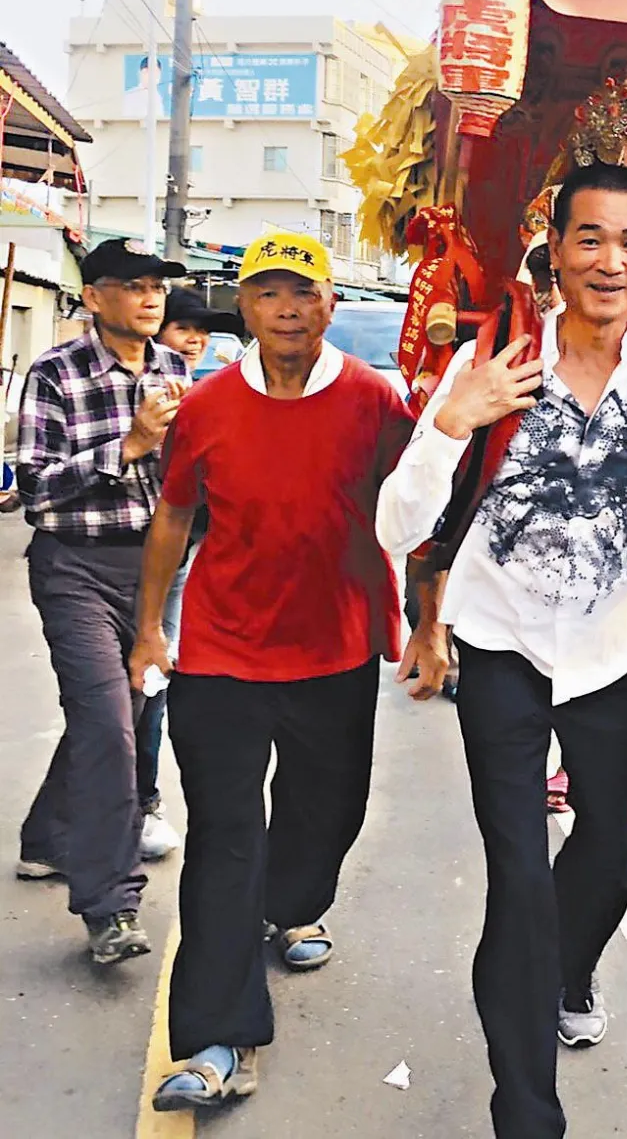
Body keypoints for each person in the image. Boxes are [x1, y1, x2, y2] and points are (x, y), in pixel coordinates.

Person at [377, 161, 627, 1139]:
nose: (611, 260)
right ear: (555, 245)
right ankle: (528, 1110)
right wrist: (450, 424)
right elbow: (396, 523)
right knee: (516, 872)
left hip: (613, 648)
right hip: (499, 642)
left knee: (604, 857)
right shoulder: (498, 363)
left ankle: (569, 968)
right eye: (590, 237)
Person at [128, 231, 414, 1113]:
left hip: (337, 644)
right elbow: (174, 518)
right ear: (243, 310)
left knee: (329, 808)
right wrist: (148, 631)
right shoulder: (207, 406)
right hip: (223, 647)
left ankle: (293, 903)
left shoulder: (376, 402)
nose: (288, 308)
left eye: (304, 292)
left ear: (330, 304)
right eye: (269, 294)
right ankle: (219, 1036)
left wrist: (432, 622)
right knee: (223, 835)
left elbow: (420, 510)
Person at [15, 235, 189, 964]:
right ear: (94, 297)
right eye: (133, 284)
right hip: (76, 570)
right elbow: (33, 486)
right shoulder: (54, 373)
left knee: (119, 718)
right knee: (110, 732)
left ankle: (47, 840)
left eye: (157, 285)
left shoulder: (178, 370)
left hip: (158, 573)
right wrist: (127, 449)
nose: (151, 298)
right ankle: (110, 906)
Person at [135, 288, 244, 861]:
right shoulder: (155, 396)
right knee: (127, 696)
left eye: (203, 331)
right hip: (121, 558)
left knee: (151, 684)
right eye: (183, 329)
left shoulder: (210, 393)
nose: (195, 340)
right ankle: (136, 804)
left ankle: (126, 806)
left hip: (181, 561)